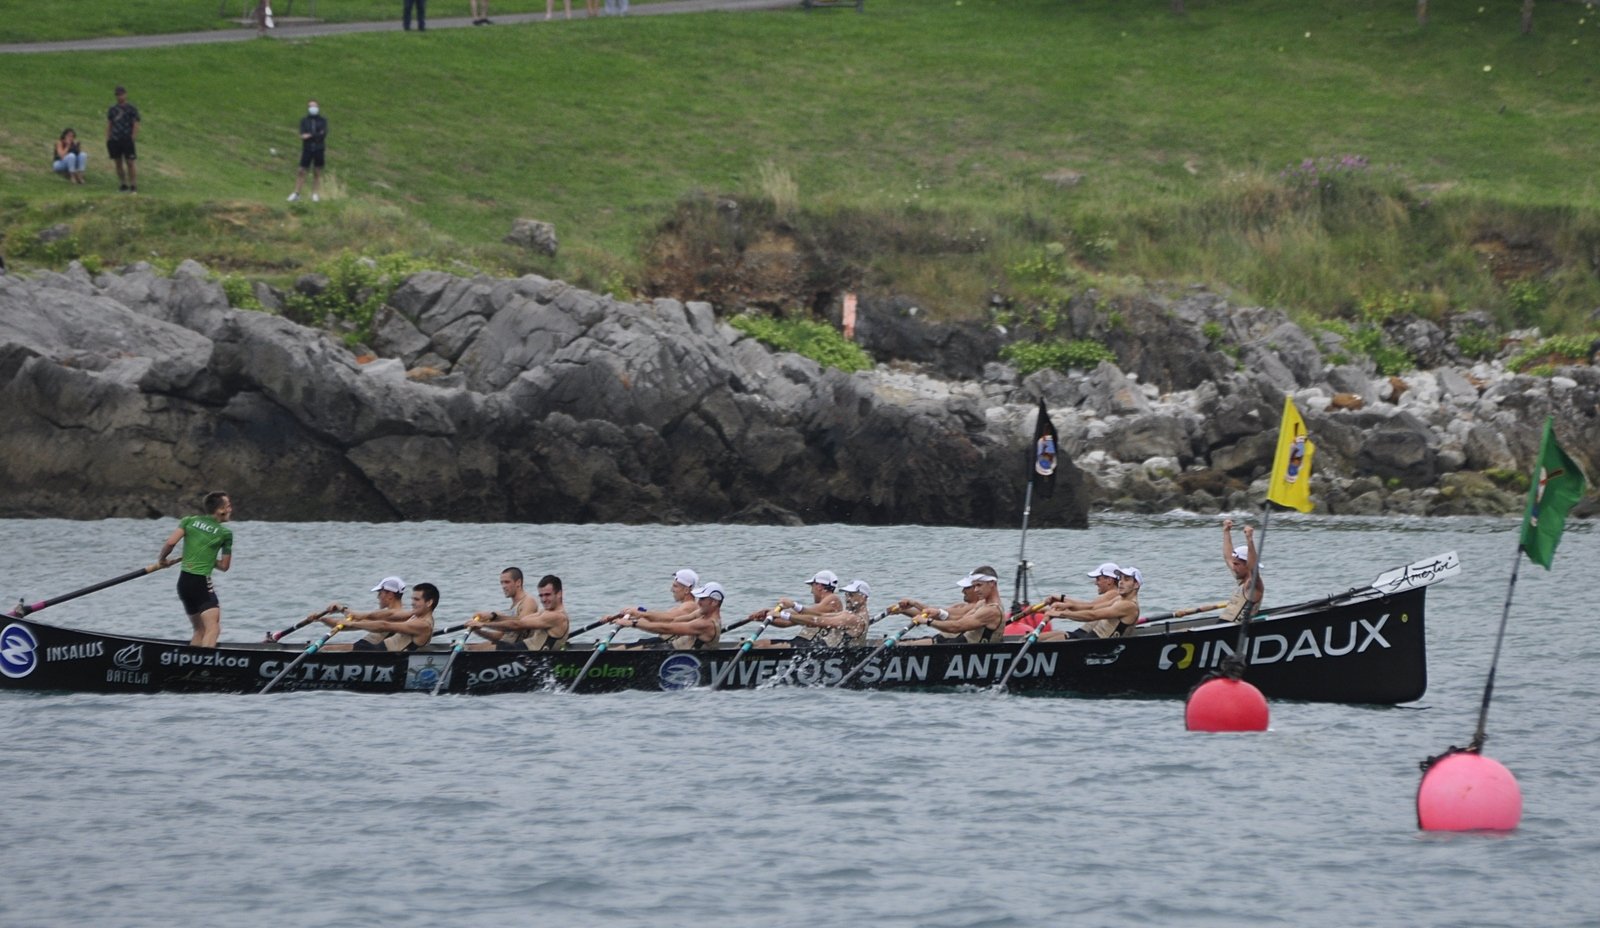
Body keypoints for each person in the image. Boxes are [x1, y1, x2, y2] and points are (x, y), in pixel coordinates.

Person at [157, 491, 234, 647]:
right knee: (213, 628)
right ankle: (204, 661)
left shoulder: (188, 521)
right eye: (228, 506)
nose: (231, 509)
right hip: (201, 583)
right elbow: (224, 566)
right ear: (220, 510)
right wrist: (208, 558)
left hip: (184, 583)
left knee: (199, 630)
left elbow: (170, 543)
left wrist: (162, 559)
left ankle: (190, 660)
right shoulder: (225, 533)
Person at [319, 577, 436, 651]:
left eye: (417, 600)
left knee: (325, 650)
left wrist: (352, 623)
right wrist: (347, 612)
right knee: (325, 649)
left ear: (429, 602)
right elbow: (383, 616)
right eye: (412, 599)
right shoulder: (412, 615)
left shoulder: (423, 625)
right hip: (377, 650)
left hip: (385, 659)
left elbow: (385, 625)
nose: (412, 603)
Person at [897, 569, 1006, 645]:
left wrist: (928, 621)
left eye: (979, 585)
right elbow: (958, 620)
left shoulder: (992, 610)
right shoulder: (981, 603)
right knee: (903, 644)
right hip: (956, 643)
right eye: (974, 586)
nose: (976, 590)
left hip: (969, 651)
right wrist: (937, 613)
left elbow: (956, 627)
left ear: (992, 583)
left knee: (905, 645)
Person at [470, 574, 569, 651]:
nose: (543, 600)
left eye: (547, 595)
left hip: (530, 658)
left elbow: (517, 625)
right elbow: (520, 620)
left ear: (559, 594)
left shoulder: (557, 616)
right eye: (541, 595)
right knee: (471, 648)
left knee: (482, 650)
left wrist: (483, 624)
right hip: (522, 650)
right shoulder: (545, 612)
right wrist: (492, 616)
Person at [1039, 567, 1142, 640]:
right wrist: (1065, 606)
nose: (1121, 582)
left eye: (1126, 579)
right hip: (1089, 639)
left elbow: (1093, 615)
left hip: (1101, 650)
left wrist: (1061, 613)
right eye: (1120, 579)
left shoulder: (1129, 606)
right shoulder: (1119, 599)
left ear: (1136, 585)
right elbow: (1092, 607)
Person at [613, 582, 724, 650]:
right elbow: (672, 620)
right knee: (625, 648)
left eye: (703, 599)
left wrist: (633, 624)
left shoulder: (706, 624)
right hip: (669, 649)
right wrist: (638, 616)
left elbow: (667, 628)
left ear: (714, 602)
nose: (699, 602)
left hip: (676, 656)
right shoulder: (701, 613)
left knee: (625, 650)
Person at [751, 570, 844, 648]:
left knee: (761, 645)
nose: (811, 591)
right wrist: (765, 618)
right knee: (757, 644)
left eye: (812, 586)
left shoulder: (833, 599)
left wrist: (782, 611)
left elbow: (808, 614)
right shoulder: (823, 604)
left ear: (819, 586)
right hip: (804, 643)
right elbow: (787, 622)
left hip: (816, 646)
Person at [784, 578, 872, 648]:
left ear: (863, 597)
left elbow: (817, 621)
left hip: (842, 658)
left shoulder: (854, 619)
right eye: (846, 595)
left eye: (851, 595)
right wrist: (795, 606)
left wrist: (786, 616)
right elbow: (821, 615)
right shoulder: (851, 614)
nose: (847, 599)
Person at [1221, 518, 1264, 622]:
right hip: (1223, 625)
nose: (1233, 567)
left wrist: (1249, 539)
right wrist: (1226, 531)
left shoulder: (1254, 584)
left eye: (1237, 564)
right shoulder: (1241, 578)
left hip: (1236, 630)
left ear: (1247, 564)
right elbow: (1228, 557)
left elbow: (1253, 568)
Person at [287, 100, 327, 203]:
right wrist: (315, 134)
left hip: (319, 148)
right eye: (311, 106)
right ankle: (296, 193)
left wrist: (310, 135)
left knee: (317, 171)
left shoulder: (322, 120)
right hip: (307, 148)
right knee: (301, 170)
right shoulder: (304, 121)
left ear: (318, 107)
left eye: (315, 106)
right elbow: (303, 135)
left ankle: (315, 194)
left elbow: (322, 134)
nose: (313, 108)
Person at [106, 85, 140, 193]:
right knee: (118, 162)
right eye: (117, 95)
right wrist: (108, 137)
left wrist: (133, 136)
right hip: (115, 138)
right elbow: (110, 123)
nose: (119, 96)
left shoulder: (131, 109)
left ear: (125, 94)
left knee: (130, 162)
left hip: (127, 138)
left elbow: (136, 123)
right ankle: (123, 183)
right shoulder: (112, 109)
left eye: (121, 94)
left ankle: (133, 185)